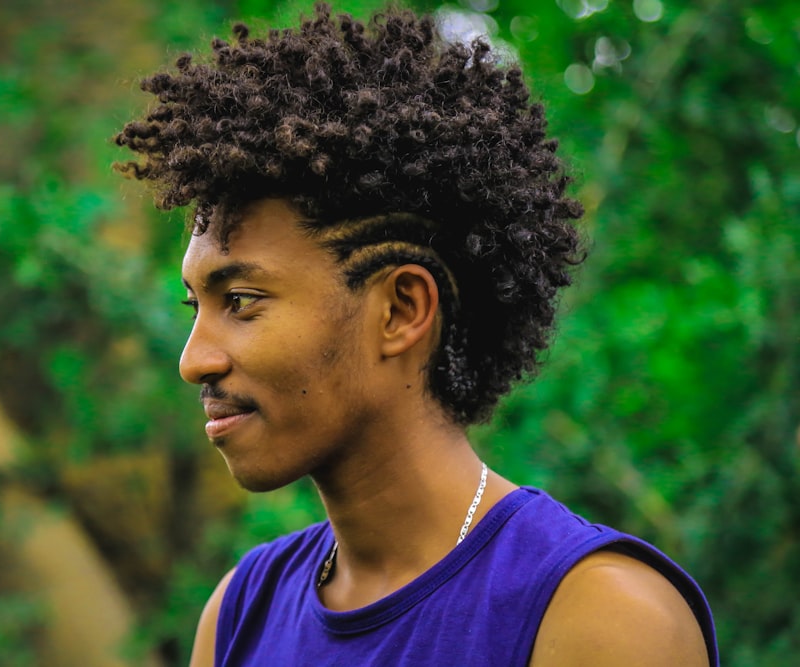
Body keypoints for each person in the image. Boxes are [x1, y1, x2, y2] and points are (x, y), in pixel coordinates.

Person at [114, 4, 719, 665]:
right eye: (195, 305)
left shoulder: (601, 617)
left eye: (242, 300)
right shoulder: (239, 615)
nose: (194, 360)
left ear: (401, 309)